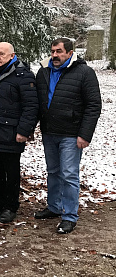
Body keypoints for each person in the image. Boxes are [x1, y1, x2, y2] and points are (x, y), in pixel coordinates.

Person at [35, 37, 101, 234]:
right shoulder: (43, 71)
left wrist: (85, 134)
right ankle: (54, 207)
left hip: (71, 135)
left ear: (70, 53)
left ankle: (70, 216)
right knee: (53, 172)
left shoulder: (84, 73)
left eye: (59, 51)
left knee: (69, 174)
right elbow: (37, 102)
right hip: (49, 132)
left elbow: (93, 105)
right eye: (53, 51)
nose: (55, 55)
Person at [0, 42, 38, 223]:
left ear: (12, 56)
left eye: (2, 54)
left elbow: (31, 107)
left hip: (11, 133)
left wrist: (24, 131)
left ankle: (10, 206)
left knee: (10, 172)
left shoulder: (24, 76)